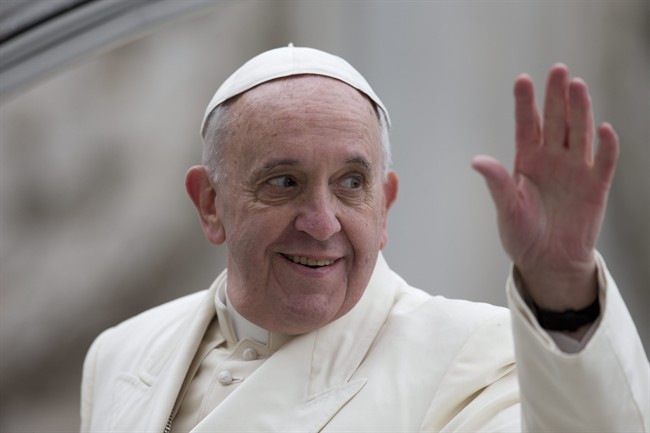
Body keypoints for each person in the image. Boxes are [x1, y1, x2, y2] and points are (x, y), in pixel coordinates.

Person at [80, 46, 649, 432]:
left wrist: (562, 287)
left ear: (385, 206)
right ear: (211, 204)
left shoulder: (475, 359)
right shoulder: (123, 352)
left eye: (351, 184)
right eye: (284, 182)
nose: (322, 221)